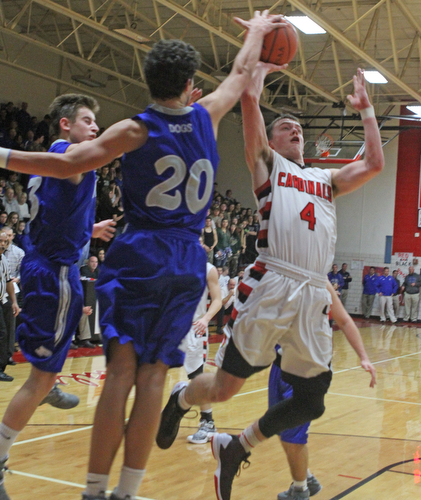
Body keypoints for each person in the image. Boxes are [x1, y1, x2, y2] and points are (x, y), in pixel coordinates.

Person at [0, 13, 287, 500]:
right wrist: (257, 35)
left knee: (121, 374)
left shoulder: (134, 129)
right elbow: (240, 76)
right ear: (190, 85)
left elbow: (66, 162)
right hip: (185, 259)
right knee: (156, 376)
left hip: (140, 253)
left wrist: (4, 155)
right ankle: (128, 490)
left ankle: (95, 489)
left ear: (148, 84)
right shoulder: (206, 115)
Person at [156, 65, 384, 500]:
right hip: (273, 281)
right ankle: (184, 397)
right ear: (272, 140)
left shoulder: (326, 180)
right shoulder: (268, 165)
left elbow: (375, 163)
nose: (294, 128)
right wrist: (255, 74)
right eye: (284, 126)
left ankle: (236, 446)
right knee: (225, 388)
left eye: (299, 126)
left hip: (314, 289)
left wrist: (368, 111)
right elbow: (250, 111)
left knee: (312, 401)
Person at [0, 94, 116, 500]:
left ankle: (45, 377)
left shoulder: (59, 160)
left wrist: (91, 230)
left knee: (46, 364)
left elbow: (56, 217)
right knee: (39, 376)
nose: (95, 129)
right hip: (53, 271)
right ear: (66, 125)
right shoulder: (68, 154)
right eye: (87, 120)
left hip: (52, 263)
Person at [272, 283, 376, 500]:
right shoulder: (276, 274)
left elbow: (345, 320)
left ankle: (300, 490)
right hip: (280, 364)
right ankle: (306, 478)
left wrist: (363, 356)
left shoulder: (320, 282)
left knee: (294, 433)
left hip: (309, 368)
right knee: (280, 426)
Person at [181, 260, 222, 444]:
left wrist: (206, 319)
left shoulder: (208, 269)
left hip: (193, 327)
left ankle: (208, 422)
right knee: (151, 373)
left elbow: (218, 300)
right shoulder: (169, 261)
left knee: (196, 377)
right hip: (170, 325)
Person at [0, 231, 19, 383]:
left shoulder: (4, 259)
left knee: (6, 333)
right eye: (0, 241)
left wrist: (14, 302)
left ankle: (3, 363)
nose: (3, 244)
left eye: (5, 242)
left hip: (3, 300)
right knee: (2, 333)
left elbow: (8, 282)